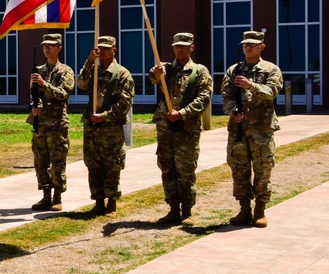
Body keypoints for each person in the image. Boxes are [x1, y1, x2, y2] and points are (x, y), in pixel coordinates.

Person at [149, 33, 213, 224]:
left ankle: (187, 210)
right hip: (165, 126)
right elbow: (153, 78)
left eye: (184, 46)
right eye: (177, 46)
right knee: (167, 167)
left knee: (185, 169)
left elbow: (204, 98)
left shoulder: (199, 71)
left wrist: (183, 113)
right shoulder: (166, 69)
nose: (180, 49)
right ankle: (173, 208)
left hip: (187, 127)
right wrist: (156, 72)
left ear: (191, 47)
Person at [221, 30, 283, 228]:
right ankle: (244, 208)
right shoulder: (233, 70)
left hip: (261, 129)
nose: (248, 47)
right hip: (239, 129)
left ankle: (260, 210)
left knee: (263, 169)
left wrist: (251, 86)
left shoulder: (271, 69)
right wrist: (233, 111)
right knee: (239, 169)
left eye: (253, 44)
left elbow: (272, 92)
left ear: (261, 47)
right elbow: (226, 96)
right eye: (245, 44)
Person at [77, 35, 134, 215]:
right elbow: (81, 83)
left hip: (111, 128)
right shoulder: (93, 69)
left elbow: (125, 103)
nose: (102, 51)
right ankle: (98, 200)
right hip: (92, 126)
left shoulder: (122, 73)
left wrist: (105, 116)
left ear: (114, 50)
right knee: (93, 164)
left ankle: (112, 202)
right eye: (99, 48)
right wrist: (89, 61)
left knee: (112, 165)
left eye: (106, 49)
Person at [27, 34, 75, 212]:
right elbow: (33, 94)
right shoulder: (38, 70)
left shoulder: (66, 71)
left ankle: (57, 197)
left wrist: (44, 84)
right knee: (40, 162)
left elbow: (63, 94)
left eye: (51, 45)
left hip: (57, 124)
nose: (47, 49)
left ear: (59, 48)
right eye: (44, 46)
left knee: (57, 162)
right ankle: (45, 196)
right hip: (40, 124)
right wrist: (35, 106)